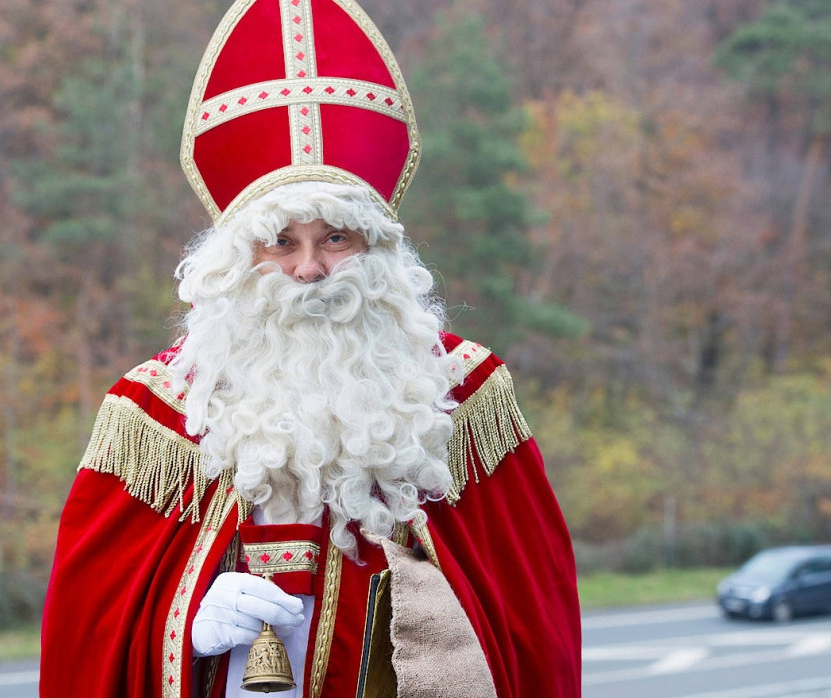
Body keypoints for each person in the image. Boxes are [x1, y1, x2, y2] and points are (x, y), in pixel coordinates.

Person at [39, 1, 581, 696]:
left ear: (376, 250)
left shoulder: (463, 393)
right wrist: (184, 625)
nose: (309, 270)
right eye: (282, 243)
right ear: (240, 258)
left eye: (335, 239)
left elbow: (533, 616)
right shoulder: (153, 412)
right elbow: (89, 629)